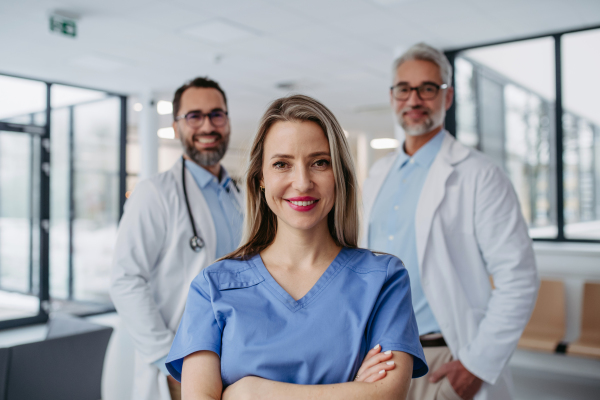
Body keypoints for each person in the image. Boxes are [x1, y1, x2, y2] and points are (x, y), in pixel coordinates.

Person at [165, 95, 428, 400]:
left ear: (338, 175)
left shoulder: (383, 279)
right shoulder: (213, 287)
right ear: (260, 178)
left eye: (319, 162)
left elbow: (386, 395)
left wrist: (250, 392)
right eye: (282, 164)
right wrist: (354, 391)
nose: (302, 183)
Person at [362, 42, 539, 400]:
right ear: (393, 96)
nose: (414, 99)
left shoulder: (479, 175)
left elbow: (518, 277)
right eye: (403, 89)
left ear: (448, 96)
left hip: (443, 356)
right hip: (377, 358)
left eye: (428, 88)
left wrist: (477, 365)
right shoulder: (377, 175)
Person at [110, 77, 243, 400]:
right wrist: (169, 360)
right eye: (194, 116)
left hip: (237, 359)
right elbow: (126, 280)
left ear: (227, 121)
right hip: (182, 363)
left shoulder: (239, 195)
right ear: (175, 127)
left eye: (216, 115)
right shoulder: (154, 194)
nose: (207, 126)